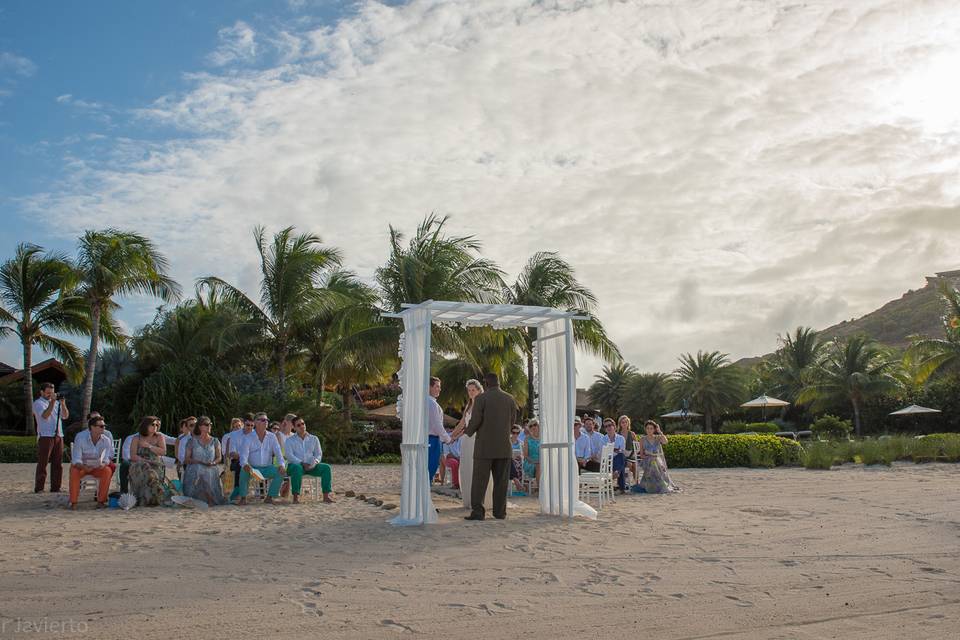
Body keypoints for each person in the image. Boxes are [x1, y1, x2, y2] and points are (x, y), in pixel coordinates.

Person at [464, 372, 517, 521]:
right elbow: (512, 421)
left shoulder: (481, 399)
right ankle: (500, 513)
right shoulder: (510, 399)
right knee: (501, 483)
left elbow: (475, 421)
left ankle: (478, 513)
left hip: (484, 448)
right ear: (498, 382)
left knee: (479, 482)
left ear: (486, 384)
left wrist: (466, 432)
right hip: (504, 447)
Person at [456, 379, 492, 511]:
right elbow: (462, 423)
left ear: (479, 390)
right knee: (466, 468)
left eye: (473, 390)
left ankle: (480, 500)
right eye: (469, 390)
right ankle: (469, 499)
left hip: (477, 439)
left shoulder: (483, 404)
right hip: (466, 441)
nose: (471, 392)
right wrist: (451, 437)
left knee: (476, 469)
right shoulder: (468, 405)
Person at [236, 412, 286, 505]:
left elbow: (279, 453)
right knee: (243, 470)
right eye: (263, 420)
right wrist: (245, 465)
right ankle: (243, 498)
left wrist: (281, 465)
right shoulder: (248, 438)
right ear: (255, 422)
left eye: (267, 420)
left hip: (267, 467)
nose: (266, 422)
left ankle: (269, 497)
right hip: (253, 468)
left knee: (281, 472)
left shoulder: (272, 437)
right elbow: (243, 456)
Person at [283, 415, 334, 504]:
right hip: (295, 466)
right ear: (294, 428)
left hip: (311, 466)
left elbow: (318, 454)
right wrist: (302, 463)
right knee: (297, 468)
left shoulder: (314, 438)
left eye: (303, 423)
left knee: (326, 468)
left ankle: (326, 496)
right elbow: (289, 456)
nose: (302, 426)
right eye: (298, 425)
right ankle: (296, 497)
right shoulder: (290, 440)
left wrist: (314, 464)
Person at [68, 416, 114, 509]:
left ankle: (101, 501)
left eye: (104, 426)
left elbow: (106, 458)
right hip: (82, 466)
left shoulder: (106, 440)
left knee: (107, 471)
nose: (103, 428)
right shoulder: (81, 438)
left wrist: (103, 464)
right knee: (74, 471)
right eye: (101, 426)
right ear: (92, 427)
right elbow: (76, 459)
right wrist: (83, 467)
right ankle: (74, 502)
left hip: (97, 467)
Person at [182, 416, 226, 506]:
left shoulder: (215, 441)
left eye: (210, 424)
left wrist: (213, 462)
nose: (209, 426)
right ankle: (198, 498)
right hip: (195, 467)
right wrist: (200, 462)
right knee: (199, 468)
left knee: (208, 470)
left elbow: (219, 458)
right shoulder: (192, 441)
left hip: (211, 467)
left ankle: (210, 499)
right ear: (200, 426)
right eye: (206, 424)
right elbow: (187, 459)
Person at [129, 416, 172, 506]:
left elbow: (163, 452)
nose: (155, 426)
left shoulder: (159, 437)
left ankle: (153, 499)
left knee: (151, 471)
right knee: (147, 469)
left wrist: (149, 446)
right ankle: (148, 498)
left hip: (155, 463)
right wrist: (144, 460)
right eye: (153, 424)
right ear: (146, 425)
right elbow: (133, 456)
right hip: (139, 464)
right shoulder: (136, 438)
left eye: (157, 424)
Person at [33, 382, 68, 493]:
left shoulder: (57, 403)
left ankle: (56, 487)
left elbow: (65, 416)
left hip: (58, 435)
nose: (50, 395)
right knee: (43, 463)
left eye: (51, 393)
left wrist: (62, 403)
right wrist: (52, 402)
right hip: (45, 435)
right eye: (48, 393)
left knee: (58, 463)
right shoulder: (38, 403)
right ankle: (39, 488)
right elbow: (45, 415)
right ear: (42, 392)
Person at [638, 420, 679, 493]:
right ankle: (662, 485)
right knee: (653, 461)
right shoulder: (642, 439)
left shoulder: (657, 438)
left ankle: (658, 486)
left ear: (654, 429)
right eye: (648, 428)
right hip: (646, 461)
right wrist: (650, 455)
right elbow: (641, 455)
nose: (649, 430)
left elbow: (665, 442)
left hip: (658, 461)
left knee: (655, 461)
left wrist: (660, 432)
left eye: (651, 428)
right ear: (645, 429)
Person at [426, 377, 454, 484]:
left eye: (439, 387)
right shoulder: (432, 404)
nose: (439, 389)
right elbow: (437, 425)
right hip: (432, 440)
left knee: (429, 468)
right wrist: (448, 439)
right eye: (437, 386)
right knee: (430, 467)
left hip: (432, 439)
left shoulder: (429, 402)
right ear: (429, 387)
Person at [227, 415, 256, 501]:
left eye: (252, 425)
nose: (250, 427)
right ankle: (238, 492)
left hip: (253, 461)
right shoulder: (234, 435)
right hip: (237, 461)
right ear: (243, 424)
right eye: (248, 425)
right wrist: (243, 458)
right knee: (241, 465)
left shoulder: (256, 434)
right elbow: (232, 453)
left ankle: (259, 494)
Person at [220, 417, 244, 498]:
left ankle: (241, 491)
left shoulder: (246, 436)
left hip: (245, 460)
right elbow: (225, 453)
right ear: (232, 427)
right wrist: (226, 464)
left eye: (239, 426)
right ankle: (237, 491)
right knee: (238, 466)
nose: (238, 428)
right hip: (233, 460)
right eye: (235, 426)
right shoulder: (227, 437)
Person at [603, 418, 628, 493]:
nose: (608, 427)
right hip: (608, 460)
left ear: (614, 426)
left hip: (619, 458)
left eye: (610, 425)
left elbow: (622, 451)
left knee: (620, 457)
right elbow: (604, 452)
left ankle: (616, 472)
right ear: (605, 429)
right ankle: (622, 487)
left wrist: (612, 450)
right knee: (621, 463)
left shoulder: (621, 438)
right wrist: (615, 450)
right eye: (606, 426)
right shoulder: (603, 439)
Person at [618, 415, 640, 487]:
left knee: (635, 466)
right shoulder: (617, 434)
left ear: (628, 423)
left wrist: (633, 454)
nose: (624, 424)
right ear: (620, 424)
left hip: (631, 456)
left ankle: (636, 484)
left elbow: (637, 447)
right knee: (629, 465)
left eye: (626, 422)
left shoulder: (632, 434)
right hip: (622, 456)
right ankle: (625, 483)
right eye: (622, 422)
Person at [522, 418, 541, 490]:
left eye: (535, 425)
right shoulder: (527, 439)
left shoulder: (544, 437)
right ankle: (541, 491)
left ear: (539, 426)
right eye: (531, 426)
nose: (533, 427)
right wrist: (535, 462)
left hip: (542, 461)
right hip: (530, 462)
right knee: (539, 466)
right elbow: (525, 455)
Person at [509, 426, 524, 495]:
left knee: (519, 464)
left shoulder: (521, 443)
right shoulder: (508, 441)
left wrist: (521, 456)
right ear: (511, 433)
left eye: (517, 433)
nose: (515, 435)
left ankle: (517, 482)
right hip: (510, 460)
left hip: (519, 461)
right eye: (514, 433)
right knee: (512, 462)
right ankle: (517, 483)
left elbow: (524, 454)